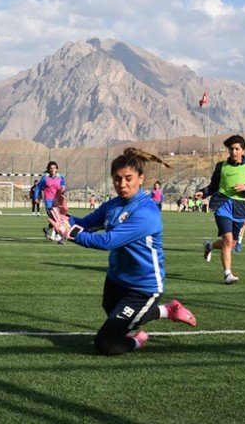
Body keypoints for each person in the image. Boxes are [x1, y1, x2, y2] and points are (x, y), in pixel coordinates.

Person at [48, 148, 196, 355]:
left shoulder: (147, 213)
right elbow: (86, 224)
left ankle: (138, 341)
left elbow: (108, 241)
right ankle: (168, 310)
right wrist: (62, 213)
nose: (122, 184)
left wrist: (70, 233)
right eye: (117, 179)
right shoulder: (113, 205)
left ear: (141, 179)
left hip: (143, 286)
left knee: (107, 343)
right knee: (111, 310)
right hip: (117, 278)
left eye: (128, 178)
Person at [196, 135, 245, 285]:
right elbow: (213, 185)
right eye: (231, 149)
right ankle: (228, 274)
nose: (233, 152)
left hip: (240, 207)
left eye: (237, 149)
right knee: (227, 239)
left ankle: (210, 246)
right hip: (222, 204)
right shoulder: (221, 166)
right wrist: (204, 192)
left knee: (231, 244)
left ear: (243, 150)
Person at [36, 161, 66, 242]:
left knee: (55, 219)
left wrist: (63, 194)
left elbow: (63, 188)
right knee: (56, 219)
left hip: (57, 201)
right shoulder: (45, 179)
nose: (52, 169)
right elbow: (38, 187)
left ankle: (47, 229)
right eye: (51, 168)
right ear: (48, 170)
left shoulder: (60, 179)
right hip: (48, 201)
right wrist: (36, 197)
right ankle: (58, 236)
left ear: (57, 169)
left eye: (54, 168)